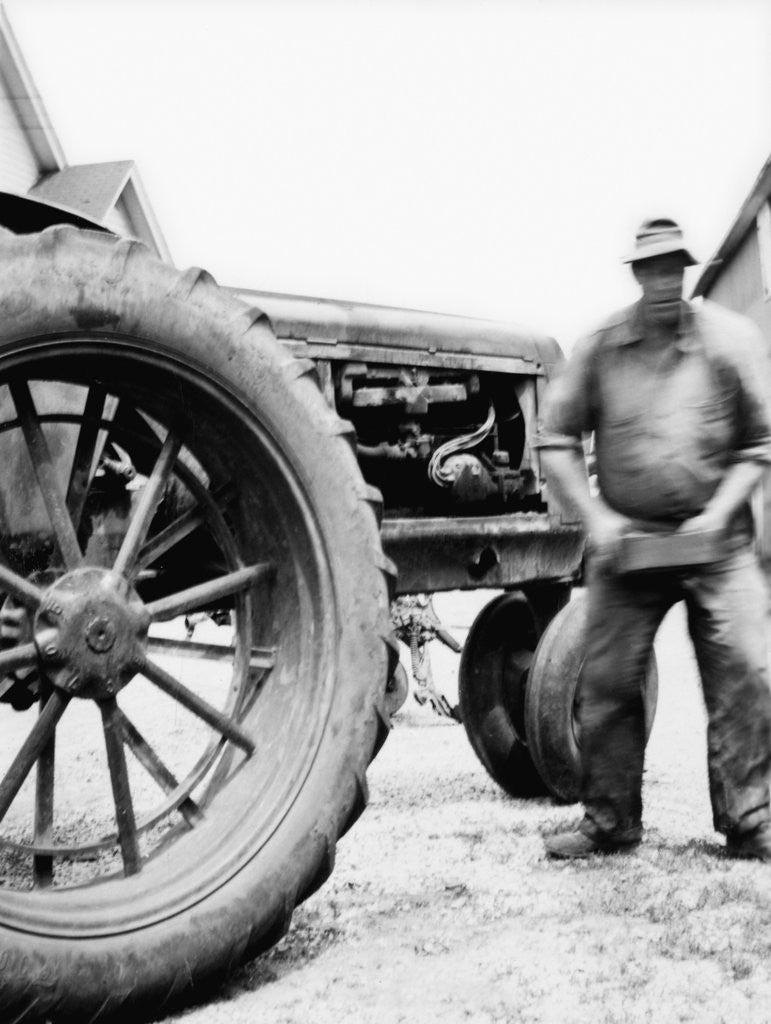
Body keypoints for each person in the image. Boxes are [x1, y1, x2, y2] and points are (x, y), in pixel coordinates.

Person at [537, 216, 771, 861]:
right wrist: (597, 519)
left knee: (748, 671)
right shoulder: (602, 347)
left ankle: (750, 819)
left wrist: (720, 512)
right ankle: (610, 820)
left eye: (675, 267)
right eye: (652, 268)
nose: (665, 279)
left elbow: (760, 445)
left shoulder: (731, 341)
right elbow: (554, 441)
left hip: (718, 543)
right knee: (608, 680)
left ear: (687, 271)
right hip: (628, 543)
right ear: (637, 274)